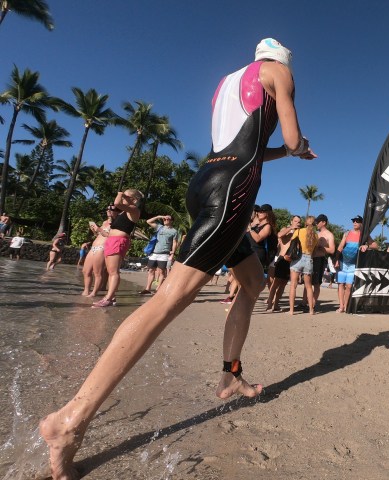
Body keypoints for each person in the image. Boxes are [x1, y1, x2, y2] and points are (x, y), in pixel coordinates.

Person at [40, 37, 316, 480]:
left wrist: (284, 151)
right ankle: (71, 420)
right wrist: (299, 147)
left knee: (252, 282)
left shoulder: (227, 83)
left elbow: (247, 143)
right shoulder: (279, 72)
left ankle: (230, 375)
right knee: (169, 299)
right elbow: (290, 136)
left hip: (205, 180)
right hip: (233, 192)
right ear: (283, 60)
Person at [91, 189, 142, 307]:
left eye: (125, 196)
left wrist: (119, 193)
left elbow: (117, 203)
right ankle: (111, 296)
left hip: (118, 241)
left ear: (134, 200)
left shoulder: (134, 210)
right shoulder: (123, 213)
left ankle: (108, 298)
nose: (123, 198)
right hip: (111, 240)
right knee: (110, 271)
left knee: (113, 271)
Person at [335, 215, 377, 313]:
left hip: (353, 264)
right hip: (343, 262)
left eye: (357, 221)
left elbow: (375, 245)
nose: (354, 222)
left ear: (361, 223)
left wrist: (366, 246)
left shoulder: (364, 235)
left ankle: (346, 306)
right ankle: (341, 306)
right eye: (353, 221)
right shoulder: (347, 233)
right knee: (341, 284)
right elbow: (340, 246)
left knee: (349, 286)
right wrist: (336, 259)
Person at [266, 214, 302, 311]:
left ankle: (276, 304)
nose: (297, 223)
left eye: (299, 222)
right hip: (282, 259)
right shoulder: (286, 230)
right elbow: (279, 235)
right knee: (276, 283)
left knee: (283, 284)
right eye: (295, 221)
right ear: (291, 221)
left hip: (291, 261)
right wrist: (291, 228)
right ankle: (270, 303)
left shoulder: (299, 233)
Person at [139, 214, 179, 295]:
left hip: (164, 254)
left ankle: (158, 289)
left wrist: (173, 253)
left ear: (172, 221)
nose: (165, 220)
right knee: (151, 270)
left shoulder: (174, 231)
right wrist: (159, 217)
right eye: (164, 219)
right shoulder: (160, 227)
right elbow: (148, 221)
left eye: (168, 219)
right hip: (154, 253)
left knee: (161, 272)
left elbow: (175, 242)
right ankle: (147, 289)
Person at [82, 205, 116, 297]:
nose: (108, 210)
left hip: (102, 248)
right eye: (107, 209)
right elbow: (99, 235)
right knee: (86, 271)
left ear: (117, 211)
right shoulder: (104, 222)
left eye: (111, 209)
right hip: (94, 247)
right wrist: (94, 230)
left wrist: (100, 229)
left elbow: (111, 236)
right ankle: (86, 291)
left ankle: (94, 293)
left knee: (97, 272)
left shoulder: (116, 223)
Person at [288, 215, 318, 315]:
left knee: (293, 285)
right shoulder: (316, 235)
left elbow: (292, 244)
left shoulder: (299, 231)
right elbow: (314, 251)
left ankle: (291, 310)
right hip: (309, 259)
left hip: (298, 258)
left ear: (306, 222)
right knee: (309, 286)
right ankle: (311, 310)